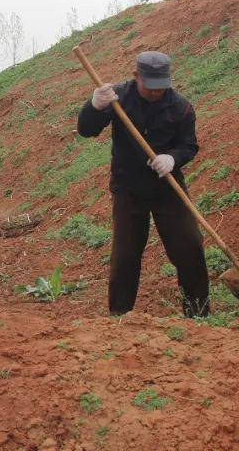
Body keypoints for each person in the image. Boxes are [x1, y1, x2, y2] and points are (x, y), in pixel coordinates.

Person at [77, 51, 210, 317]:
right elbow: (87, 130)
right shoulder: (117, 99)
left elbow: (189, 146)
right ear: (136, 76)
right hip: (129, 189)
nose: (155, 92)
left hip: (167, 188)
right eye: (150, 87)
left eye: (161, 87)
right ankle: (119, 315)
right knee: (126, 254)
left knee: (189, 246)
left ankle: (198, 313)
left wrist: (172, 159)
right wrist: (94, 106)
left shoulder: (181, 107)